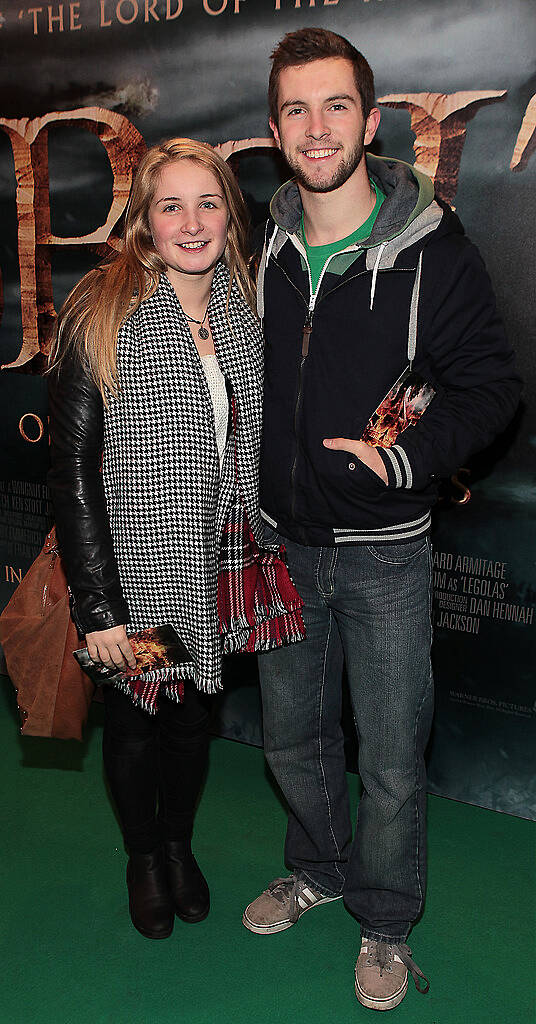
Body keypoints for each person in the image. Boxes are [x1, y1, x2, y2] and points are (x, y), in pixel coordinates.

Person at [242, 28, 521, 1010]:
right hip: (279, 543)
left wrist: (401, 453)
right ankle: (317, 867)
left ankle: (387, 921)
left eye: (333, 106)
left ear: (368, 119)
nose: (315, 128)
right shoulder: (266, 242)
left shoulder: (429, 249)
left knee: (392, 757)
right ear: (273, 129)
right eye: (294, 109)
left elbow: (488, 389)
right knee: (289, 736)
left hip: (385, 555)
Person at [48, 138, 303, 940]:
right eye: (171, 205)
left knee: (196, 715)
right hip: (135, 573)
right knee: (135, 720)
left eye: (208, 202)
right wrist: (100, 607)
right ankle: (142, 856)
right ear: (144, 222)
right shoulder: (103, 309)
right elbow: (74, 472)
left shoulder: (243, 304)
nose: (191, 222)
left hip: (221, 561)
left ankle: (179, 845)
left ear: (230, 215)